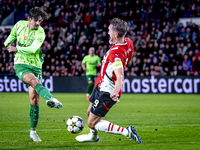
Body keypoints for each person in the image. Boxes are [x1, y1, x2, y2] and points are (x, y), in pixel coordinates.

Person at [76, 18, 142, 144]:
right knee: (90, 111)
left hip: (107, 90)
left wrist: (116, 92)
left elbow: (120, 75)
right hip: (101, 85)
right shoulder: (128, 42)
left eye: (109, 31)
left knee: (91, 123)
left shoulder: (115, 54)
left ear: (116, 34)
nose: (107, 33)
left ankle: (127, 131)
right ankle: (93, 137)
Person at [4, 7, 63, 142]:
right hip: (21, 64)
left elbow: (33, 49)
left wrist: (15, 48)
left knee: (34, 101)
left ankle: (33, 132)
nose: (38, 24)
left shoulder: (40, 32)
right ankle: (51, 98)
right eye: (36, 21)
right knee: (34, 81)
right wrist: (7, 43)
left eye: (40, 21)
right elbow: (12, 35)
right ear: (29, 19)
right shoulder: (19, 25)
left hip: (36, 66)